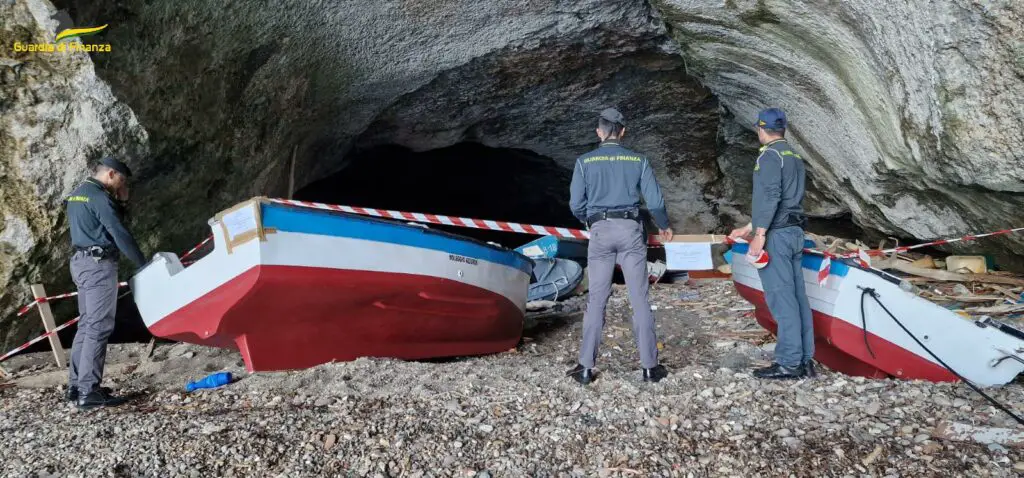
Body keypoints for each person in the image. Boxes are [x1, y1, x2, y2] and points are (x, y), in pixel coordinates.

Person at [566, 107, 674, 385]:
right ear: (623, 132)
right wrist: (663, 225)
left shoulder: (584, 162)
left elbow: (576, 204)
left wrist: (590, 220)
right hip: (630, 232)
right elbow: (656, 202)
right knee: (639, 299)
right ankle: (650, 368)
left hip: (601, 232)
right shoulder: (638, 160)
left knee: (596, 300)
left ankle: (585, 368)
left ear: (599, 132)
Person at [729, 108, 815, 379]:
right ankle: (805, 360)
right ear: (784, 129)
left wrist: (760, 234)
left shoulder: (769, 155)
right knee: (799, 299)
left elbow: (769, 196)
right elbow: (785, 199)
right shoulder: (793, 155)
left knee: (781, 298)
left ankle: (789, 362)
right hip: (794, 232)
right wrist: (749, 226)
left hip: (776, 236)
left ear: (760, 129)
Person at [64, 156, 147, 409]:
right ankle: (90, 392)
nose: (123, 186)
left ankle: (76, 386)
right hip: (98, 266)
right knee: (99, 327)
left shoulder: (77, 194)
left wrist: (120, 202)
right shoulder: (100, 197)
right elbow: (118, 232)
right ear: (111, 174)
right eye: (122, 180)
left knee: (87, 324)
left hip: (81, 262)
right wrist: (143, 264)